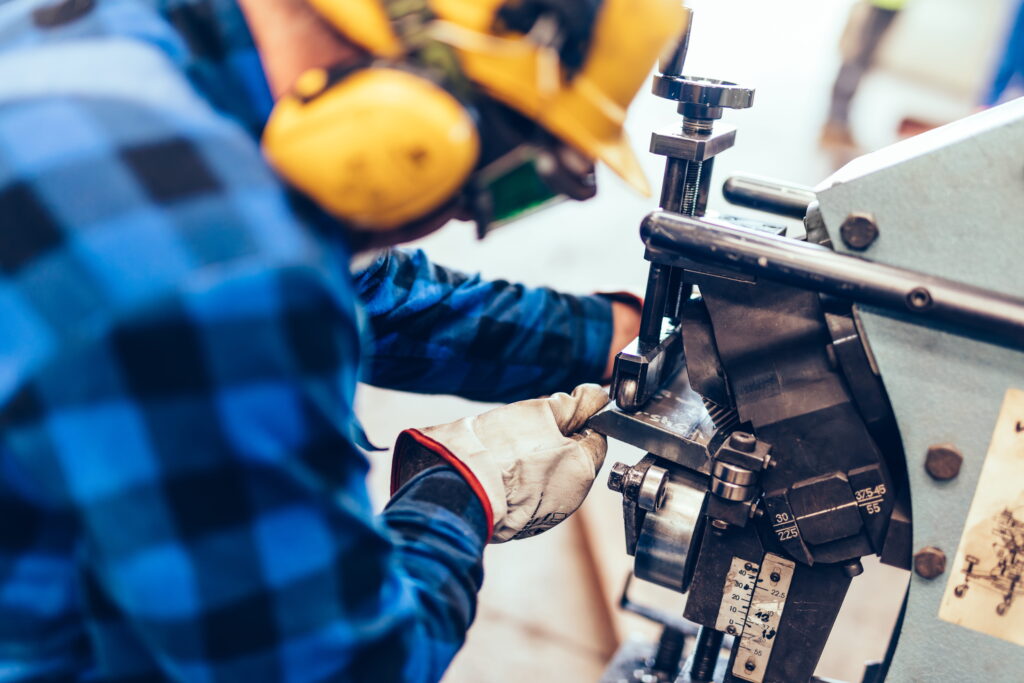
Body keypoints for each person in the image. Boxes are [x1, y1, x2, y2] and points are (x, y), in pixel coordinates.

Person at [0, 0, 685, 680]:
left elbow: (357, 285)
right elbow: (341, 670)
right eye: (502, 187)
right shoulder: (216, 273)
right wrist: (462, 489)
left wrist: (605, 338)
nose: (458, 212)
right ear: (414, 109)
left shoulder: (124, 52)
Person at [821, 0, 907, 149]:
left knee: (862, 64)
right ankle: (835, 125)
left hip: (893, 7)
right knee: (854, 61)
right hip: (876, 6)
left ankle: (840, 124)